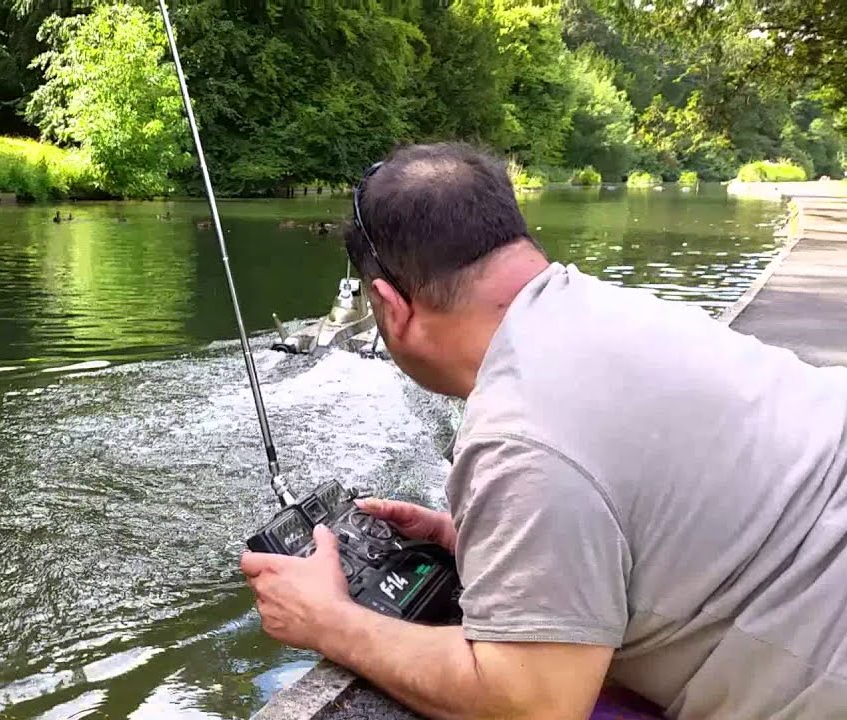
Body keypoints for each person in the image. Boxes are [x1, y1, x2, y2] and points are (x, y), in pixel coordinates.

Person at [240, 142, 847, 719]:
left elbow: (528, 704)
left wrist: (327, 621)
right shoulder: (617, 311)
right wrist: (485, 540)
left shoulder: (520, 430)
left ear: (388, 305)